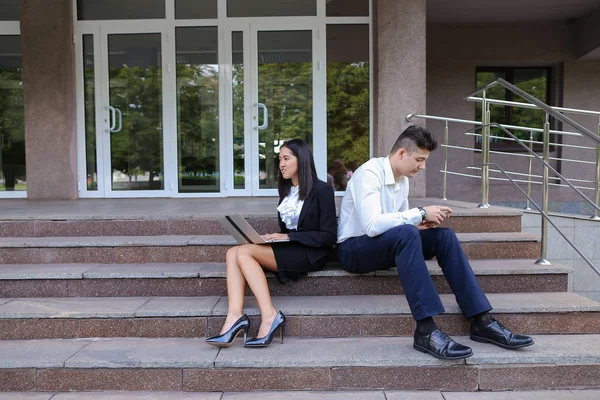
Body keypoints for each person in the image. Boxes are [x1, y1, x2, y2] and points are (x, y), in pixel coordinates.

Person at [336, 125, 533, 360]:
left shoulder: (402, 180)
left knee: (444, 237)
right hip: (353, 249)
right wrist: (419, 213)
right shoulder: (369, 174)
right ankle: (426, 331)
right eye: (419, 159)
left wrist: (420, 223)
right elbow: (371, 225)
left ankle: (481, 320)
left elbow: (398, 225)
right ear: (401, 153)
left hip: (383, 244)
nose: (422, 166)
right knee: (408, 233)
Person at [206, 139, 337, 348]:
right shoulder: (286, 192)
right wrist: (272, 238)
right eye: (280, 160)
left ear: (301, 160)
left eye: (286, 159)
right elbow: (288, 230)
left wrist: (288, 237)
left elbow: (329, 237)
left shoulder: (322, 190)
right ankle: (234, 317)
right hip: (290, 248)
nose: (281, 164)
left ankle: (269, 315)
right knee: (233, 252)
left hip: (311, 254)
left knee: (244, 253)